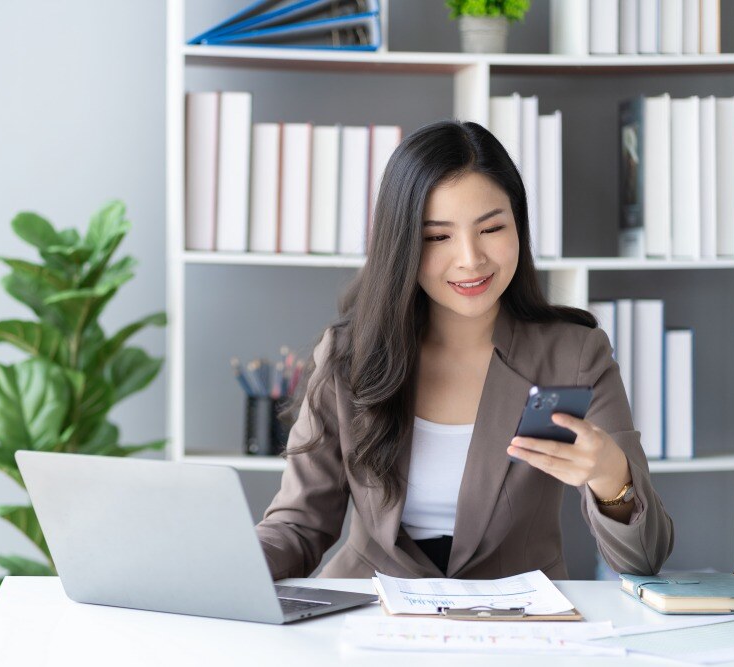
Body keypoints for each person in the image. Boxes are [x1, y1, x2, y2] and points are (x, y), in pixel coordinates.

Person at [256, 120, 674, 581]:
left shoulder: (574, 355)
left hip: (517, 625)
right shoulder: (348, 356)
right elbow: (298, 527)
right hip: (370, 618)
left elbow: (645, 560)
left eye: (491, 228)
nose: (470, 259)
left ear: (518, 225)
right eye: (438, 237)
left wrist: (613, 477)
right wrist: (228, 564)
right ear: (402, 245)